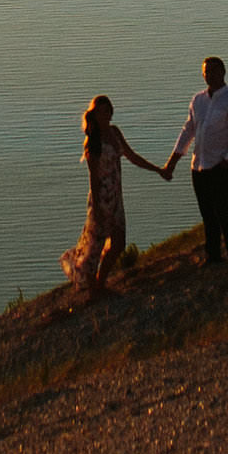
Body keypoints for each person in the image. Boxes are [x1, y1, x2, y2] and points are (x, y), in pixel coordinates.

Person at [60, 93, 160, 304]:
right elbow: (93, 178)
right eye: (101, 112)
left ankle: (99, 282)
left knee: (118, 244)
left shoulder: (115, 133)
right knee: (95, 247)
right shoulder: (92, 143)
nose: (105, 115)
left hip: (116, 196)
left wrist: (157, 170)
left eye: (108, 111)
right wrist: (96, 207)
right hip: (102, 199)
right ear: (94, 115)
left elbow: (132, 156)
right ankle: (96, 287)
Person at [167, 55, 228, 270]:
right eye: (206, 72)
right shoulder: (198, 100)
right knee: (207, 214)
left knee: (223, 213)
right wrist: (173, 160)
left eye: (213, 71)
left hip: (220, 167)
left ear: (223, 72)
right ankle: (213, 256)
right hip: (199, 166)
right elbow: (188, 131)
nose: (209, 75)